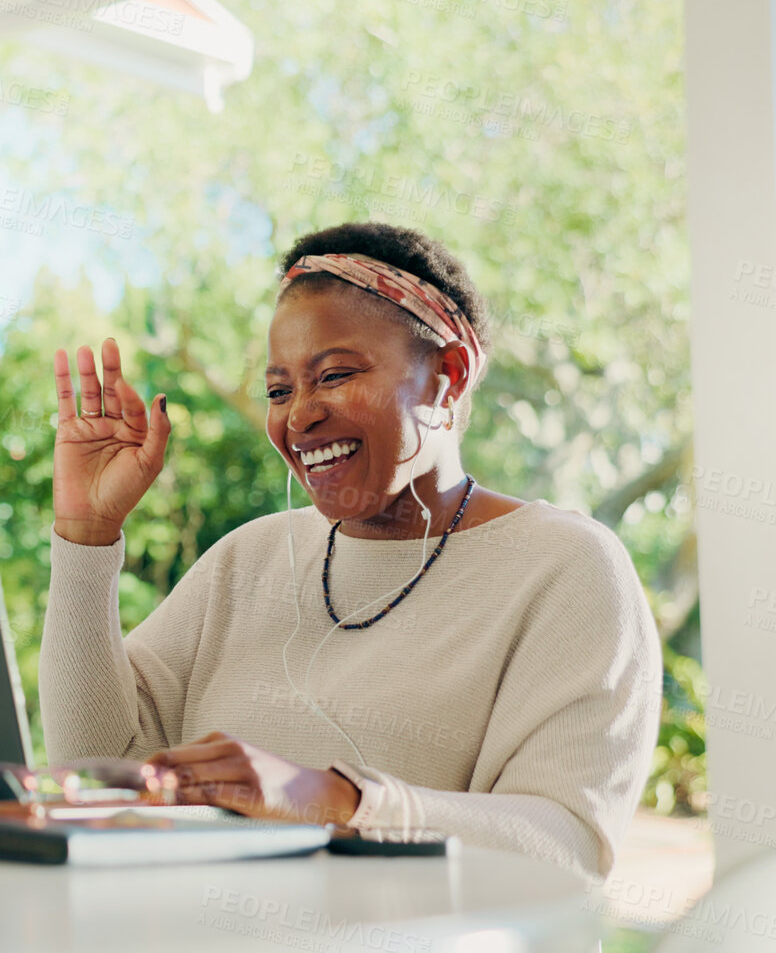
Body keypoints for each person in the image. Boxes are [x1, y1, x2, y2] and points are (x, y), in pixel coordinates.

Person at [39, 221, 661, 883]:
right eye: (279, 389)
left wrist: (338, 801)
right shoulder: (243, 560)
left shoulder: (566, 567)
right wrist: (86, 533)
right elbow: (95, 768)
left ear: (444, 376)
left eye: (333, 374)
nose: (299, 415)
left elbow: (565, 846)